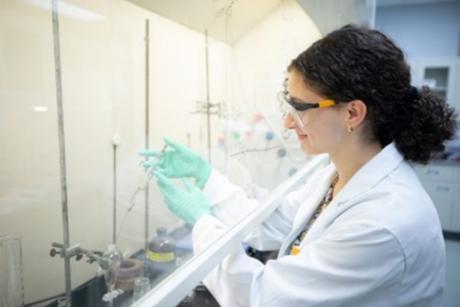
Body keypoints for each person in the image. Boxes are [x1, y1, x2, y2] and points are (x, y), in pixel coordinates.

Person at [141, 24, 457, 306]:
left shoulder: (383, 222)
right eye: (287, 104)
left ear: (352, 114)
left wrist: (200, 223)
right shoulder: (336, 173)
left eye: (300, 108)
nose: (288, 122)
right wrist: (206, 177)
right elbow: (275, 224)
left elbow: (260, 297)